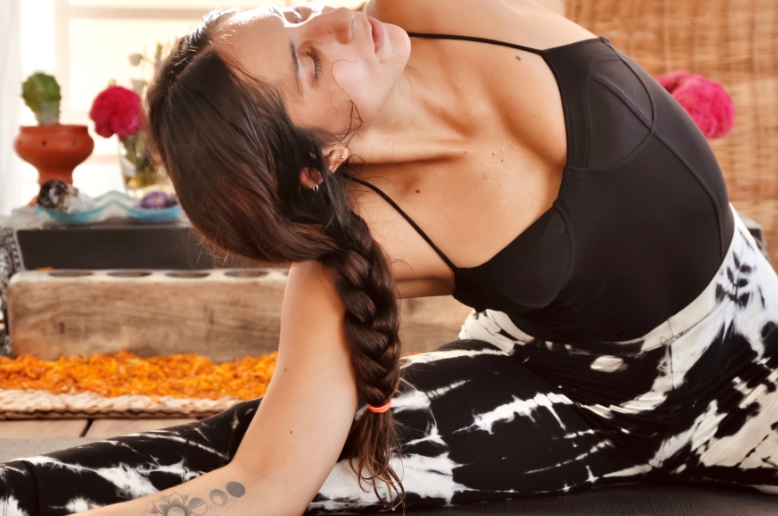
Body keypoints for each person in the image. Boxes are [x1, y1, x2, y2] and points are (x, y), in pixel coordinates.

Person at [3, 0, 778, 514]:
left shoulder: (424, 13)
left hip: (757, 368)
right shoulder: (355, 239)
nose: (337, 24)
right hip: (569, 404)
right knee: (268, 450)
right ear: (318, 165)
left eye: (297, 15)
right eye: (309, 63)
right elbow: (265, 483)